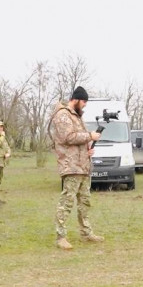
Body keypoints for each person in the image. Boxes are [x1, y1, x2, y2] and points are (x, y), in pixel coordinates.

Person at [49, 86, 104, 250]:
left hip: (83, 166)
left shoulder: (77, 117)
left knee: (84, 202)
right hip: (71, 166)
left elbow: (78, 140)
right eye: (84, 101)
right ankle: (61, 237)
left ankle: (86, 232)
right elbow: (68, 137)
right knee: (66, 202)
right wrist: (90, 136)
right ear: (76, 99)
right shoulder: (63, 115)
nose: (85, 105)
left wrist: (88, 147)